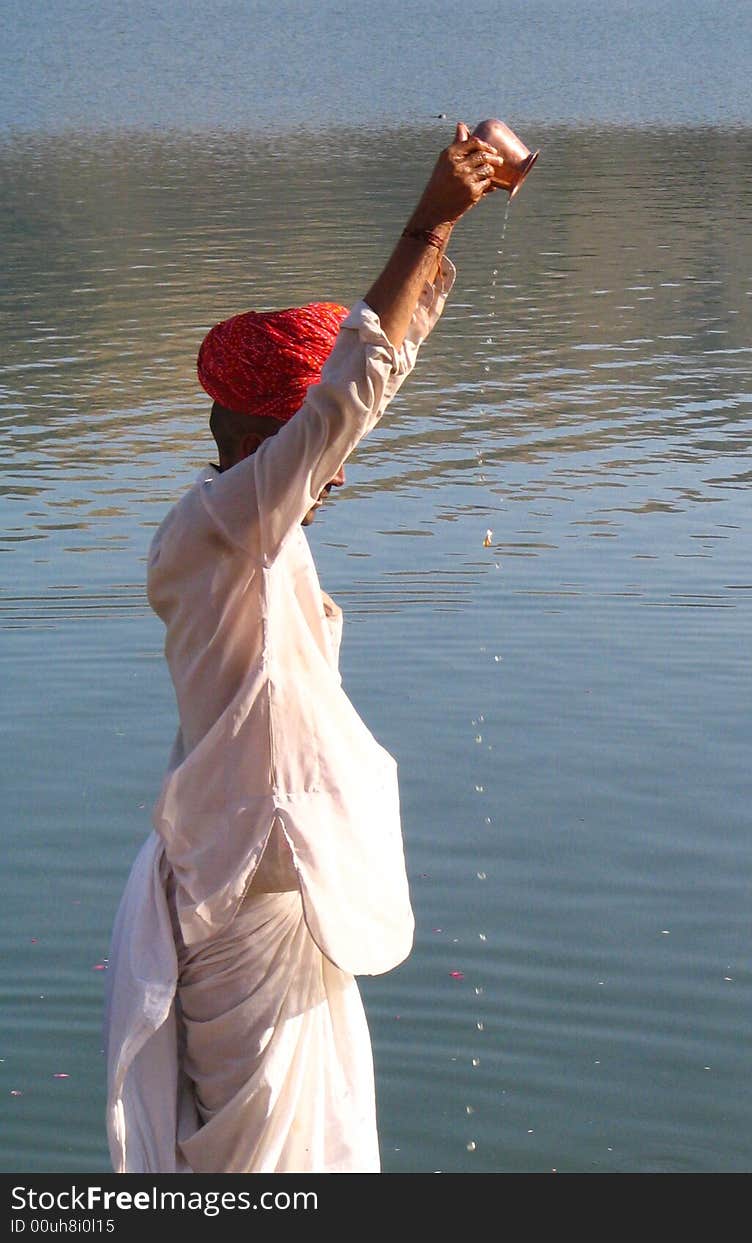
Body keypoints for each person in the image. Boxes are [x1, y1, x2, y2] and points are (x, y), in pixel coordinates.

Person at [103, 124, 503, 1174]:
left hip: (277, 890)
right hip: (242, 894)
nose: (337, 479)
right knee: (259, 1160)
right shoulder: (224, 530)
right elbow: (343, 403)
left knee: (303, 1147)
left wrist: (425, 274)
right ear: (256, 447)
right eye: (313, 461)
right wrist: (429, 220)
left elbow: (354, 398)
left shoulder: (255, 539)